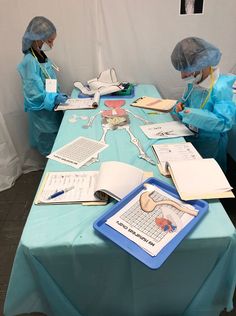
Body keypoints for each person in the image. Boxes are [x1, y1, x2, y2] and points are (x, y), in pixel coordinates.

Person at [171, 37, 236, 172]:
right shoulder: (194, 84)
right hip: (191, 137)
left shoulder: (221, 87)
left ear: (201, 64)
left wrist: (189, 113)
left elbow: (224, 122)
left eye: (185, 69)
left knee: (209, 176)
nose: (182, 75)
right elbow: (183, 105)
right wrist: (178, 108)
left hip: (211, 143)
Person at [18, 16, 68, 156]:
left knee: (58, 145)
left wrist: (57, 97)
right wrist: (54, 98)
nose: (51, 45)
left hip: (52, 111)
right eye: (50, 41)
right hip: (43, 117)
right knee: (50, 150)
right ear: (37, 38)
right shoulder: (29, 61)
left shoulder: (42, 56)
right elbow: (33, 95)